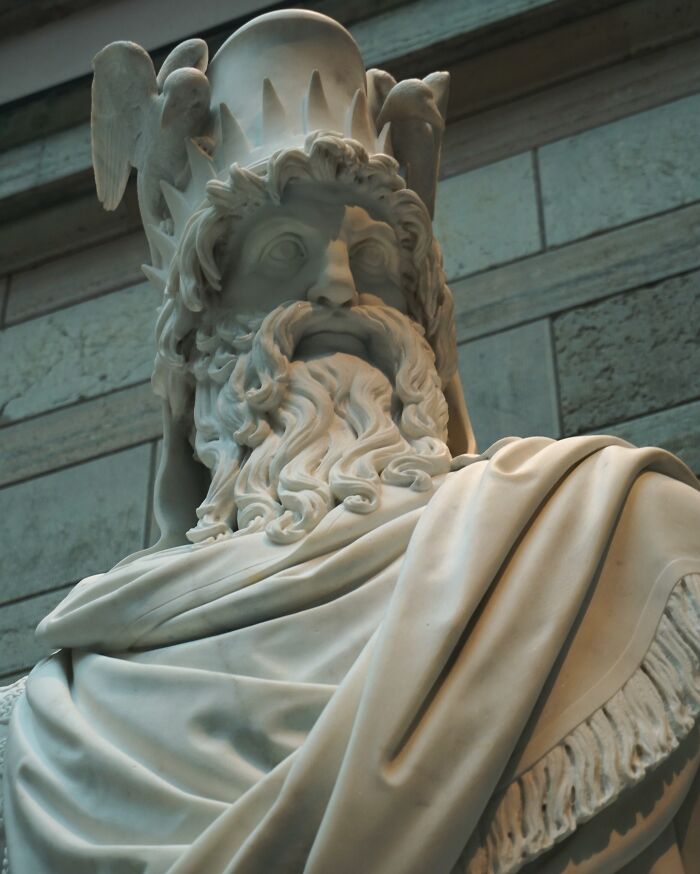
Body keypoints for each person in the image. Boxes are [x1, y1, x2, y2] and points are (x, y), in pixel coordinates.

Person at [1, 9, 698, 874]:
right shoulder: (58, 729)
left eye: (371, 261)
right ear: (201, 345)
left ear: (424, 327)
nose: (335, 287)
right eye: (283, 253)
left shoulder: (617, 545)